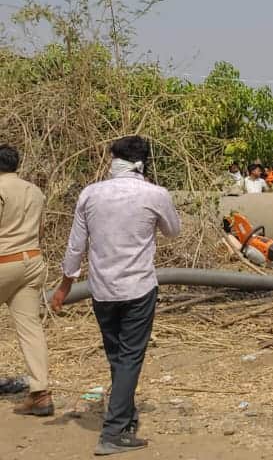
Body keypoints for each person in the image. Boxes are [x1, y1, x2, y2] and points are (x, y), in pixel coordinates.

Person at [51, 136, 181, 455]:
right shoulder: (155, 194)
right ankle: (113, 432)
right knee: (130, 357)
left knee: (117, 356)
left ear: (113, 159)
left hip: (102, 289)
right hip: (138, 288)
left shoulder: (90, 194)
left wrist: (65, 286)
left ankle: (124, 416)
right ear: (144, 162)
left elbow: (75, 245)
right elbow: (173, 231)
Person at [0, 145, 52, 417]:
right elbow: (40, 229)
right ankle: (40, 393)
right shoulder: (34, 191)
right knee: (30, 328)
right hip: (31, 261)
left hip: (3, 262)